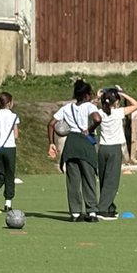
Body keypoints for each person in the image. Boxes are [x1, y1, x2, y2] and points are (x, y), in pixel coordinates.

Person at [48, 79, 100, 222]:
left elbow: (51, 124)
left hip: (71, 144)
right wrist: (89, 129)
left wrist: (51, 143)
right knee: (89, 178)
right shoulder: (89, 106)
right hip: (85, 143)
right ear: (87, 95)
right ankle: (92, 212)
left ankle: (75, 213)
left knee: (73, 180)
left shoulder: (67, 108)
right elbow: (97, 119)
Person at [95, 84, 137, 220]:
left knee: (104, 179)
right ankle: (102, 209)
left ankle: (110, 207)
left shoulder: (100, 112)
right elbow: (136, 105)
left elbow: (90, 106)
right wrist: (123, 93)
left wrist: (98, 97)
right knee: (112, 181)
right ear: (116, 102)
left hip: (102, 148)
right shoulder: (117, 112)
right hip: (114, 149)